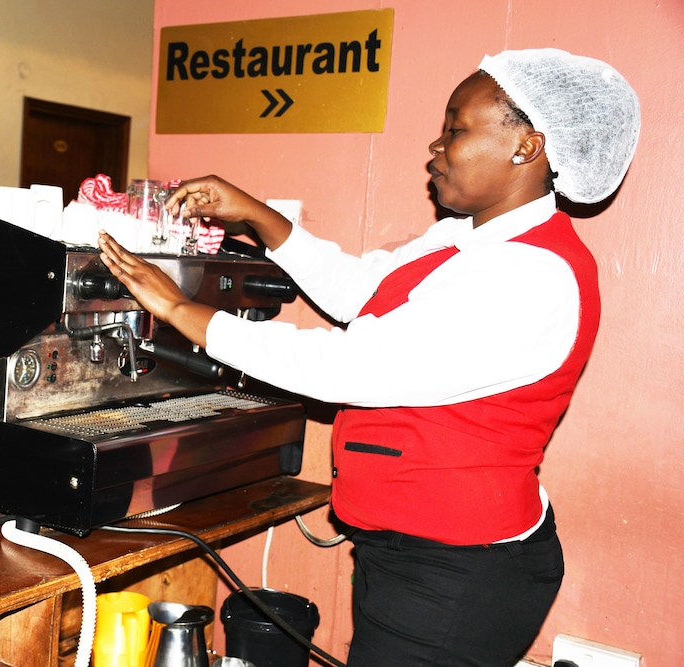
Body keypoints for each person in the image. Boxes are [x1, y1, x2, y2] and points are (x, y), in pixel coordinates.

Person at [97, 48, 640, 667]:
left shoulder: (532, 275)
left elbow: (352, 365)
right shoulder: (467, 238)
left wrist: (179, 309)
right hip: (412, 553)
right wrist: (256, 216)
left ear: (527, 147)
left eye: (456, 129)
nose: (435, 147)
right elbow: (362, 290)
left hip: (458, 570)